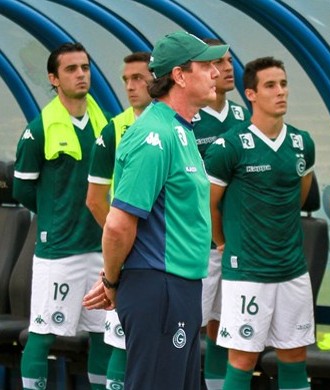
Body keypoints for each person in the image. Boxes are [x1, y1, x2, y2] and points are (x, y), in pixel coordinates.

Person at [98, 31, 225, 389]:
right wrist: (111, 280)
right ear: (180, 76)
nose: (216, 72)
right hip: (159, 285)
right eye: (206, 65)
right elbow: (118, 224)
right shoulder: (153, 135)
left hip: (177, 287)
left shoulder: (180, 130)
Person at [204, 56, 315, 390]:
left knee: (295, 357)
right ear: (250, 94)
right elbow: (209, 205)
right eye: (270, 85)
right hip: (248, 272)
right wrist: (224, 243)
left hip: (292, 270)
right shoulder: (230, 146)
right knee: (242, 360)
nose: (280, 92)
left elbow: (298, 197)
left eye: (283, 84)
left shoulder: (301, 143)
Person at [12, 42, 111, 390]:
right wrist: (56, 218)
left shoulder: (105, 123)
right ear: (54, 79)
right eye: (71, 69)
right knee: (41, 333)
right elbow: (23, 189)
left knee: (104, 334)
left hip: (101, 249)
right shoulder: (39, 129)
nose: (81, 74)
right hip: (59, 252)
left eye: (85, 67)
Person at [83, 51, 153, 390]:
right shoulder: (113, 131)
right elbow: (95, 200)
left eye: (138, 78)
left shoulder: (178, 126)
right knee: (122, 341)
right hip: (132, 256)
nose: (130, 86)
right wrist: (124, 240)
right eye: (126, 79)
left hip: (173, 258)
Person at [193, 38, 250, 390]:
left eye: (231, 61)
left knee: (222, 326)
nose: (229, 68)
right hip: (197, 242)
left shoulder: (244, 116)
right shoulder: (188, 118)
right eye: (220, 62)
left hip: (233, 244)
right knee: (187, 326)